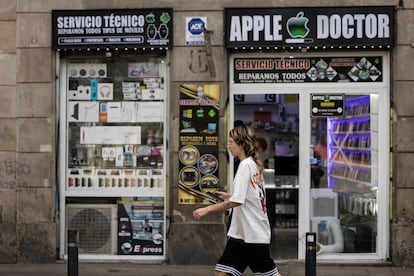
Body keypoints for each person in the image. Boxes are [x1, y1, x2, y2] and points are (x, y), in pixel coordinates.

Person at [193, 125, 281, 276]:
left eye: (231, 142)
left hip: (251, 234)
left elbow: (238, 202)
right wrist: (230, 197)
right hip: (245, 233)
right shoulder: (252, 164)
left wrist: (206, 209)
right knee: (222, 272)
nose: (228, 145)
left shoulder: (245, 165)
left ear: (242, 144)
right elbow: (252, 196)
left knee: (268, 274)